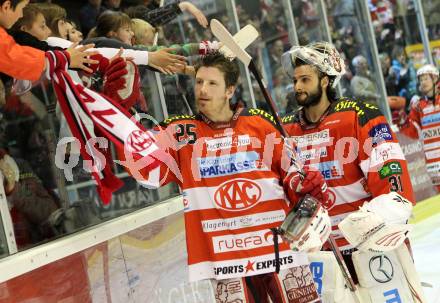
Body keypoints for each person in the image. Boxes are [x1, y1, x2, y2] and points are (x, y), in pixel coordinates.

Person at [118, 51, 330, 302]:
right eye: (199, 82)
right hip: (227, 261)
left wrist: (309, 185)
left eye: (212, 83)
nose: (202, 90)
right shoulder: (178, 131)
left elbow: (293, 175)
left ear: (230, 90)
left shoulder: (260, 123)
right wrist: (120, 118)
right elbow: (147, 172)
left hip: (278, 251)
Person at [280, 42, 415, 284]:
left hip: (370, 250)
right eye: (295, 80)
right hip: (323, 256)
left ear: (325, 80)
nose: (297, 86)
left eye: (305, 79)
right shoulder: (286, 128)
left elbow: (393, 186)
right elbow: (283, 188)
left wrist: (371, 231)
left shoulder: (360, 115)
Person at [406, 64, 440, 191]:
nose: (423, 82)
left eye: (426, 78)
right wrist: (404, 122)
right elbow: (413, 133)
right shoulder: (418, 106)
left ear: (435, 79)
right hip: (432, 158)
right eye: (421, 80)